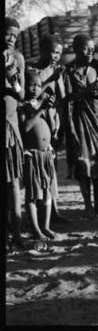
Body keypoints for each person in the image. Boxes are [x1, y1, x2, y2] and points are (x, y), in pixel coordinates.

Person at [64, 34, 98, 217]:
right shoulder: (68, 70)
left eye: (93, 48)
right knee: (84, 165)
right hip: (80, 124)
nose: (91, 52)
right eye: (86, 48)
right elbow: (67, 99)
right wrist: (85, 91)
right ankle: (87, 205)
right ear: (76, 49)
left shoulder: (97, 66)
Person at [28, 34, 67, 224]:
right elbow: (32, 96)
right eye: (53, 52)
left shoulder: (55, 70)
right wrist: (50, 79)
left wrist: (58, 78)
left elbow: (61, 97)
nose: (56, 56)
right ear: (43, 50)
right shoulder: (33, 69)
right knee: (39, 171)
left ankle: (55, 211)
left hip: (52, 121)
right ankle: (42, 214)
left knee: (52, 168)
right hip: (38, 121)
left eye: (59, 53)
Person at [18, 70, 57, 241]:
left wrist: (48, 109)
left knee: (47, 191)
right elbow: (26, 127)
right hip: (31, 155)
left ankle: (45, 226)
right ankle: (35, 229)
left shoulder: (41, 103)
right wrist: (41, 109)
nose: (35, 88)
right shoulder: (23, 106)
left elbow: (48, 125)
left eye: (38, 85)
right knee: (32, 194)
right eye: (32, 85)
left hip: (45, 153)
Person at [4, 17, 26, 249]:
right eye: (8, 33)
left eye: (15, 35)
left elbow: (21, 96)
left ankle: (17, 233)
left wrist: (14, 80)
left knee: (13, 183)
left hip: (11, 127)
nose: (11, 38)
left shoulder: (18, 58)